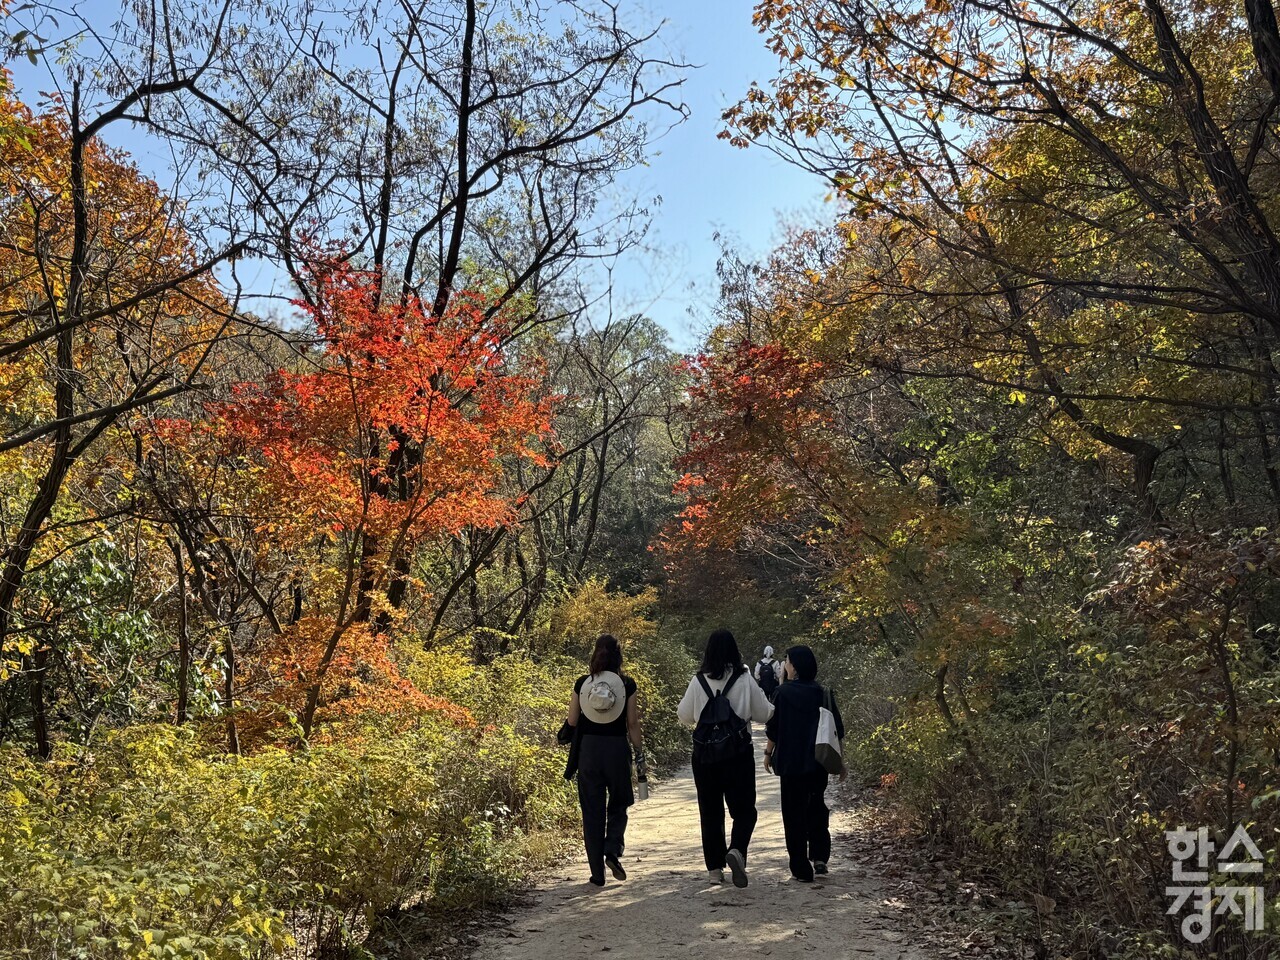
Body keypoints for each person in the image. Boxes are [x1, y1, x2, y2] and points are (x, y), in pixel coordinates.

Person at [677, 628, 773, 887]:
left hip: (705, 755)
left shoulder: (698, 680)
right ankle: (737, 850)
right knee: (744, 811)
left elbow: (685, 716)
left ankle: (714, 870)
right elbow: (764, 714)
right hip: (737, 754)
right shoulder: (744, 678)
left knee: (710, 811)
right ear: (734, 650)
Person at [564, 634, 645, 886]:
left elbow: (572, 721)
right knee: (620, 802)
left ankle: (597, 874)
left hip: (588, 751)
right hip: (616, 750)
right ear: (619, 656)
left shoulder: (582, 684)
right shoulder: (627, 684)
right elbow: (632, 724)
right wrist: (639, 751)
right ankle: (612, 849)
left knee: (592, 810)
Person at [763, 644, 845, 883]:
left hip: (790, 762)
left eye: (787, 661)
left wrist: (768, 754)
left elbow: (773, 729)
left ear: (795, 667)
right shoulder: (823, 692)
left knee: (793, 813)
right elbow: (836, 731)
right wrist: (841, 762)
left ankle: (800, 866)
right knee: (816, 806)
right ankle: (819, 857)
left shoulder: (783, 693)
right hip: (817, 762)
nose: (784, 666)